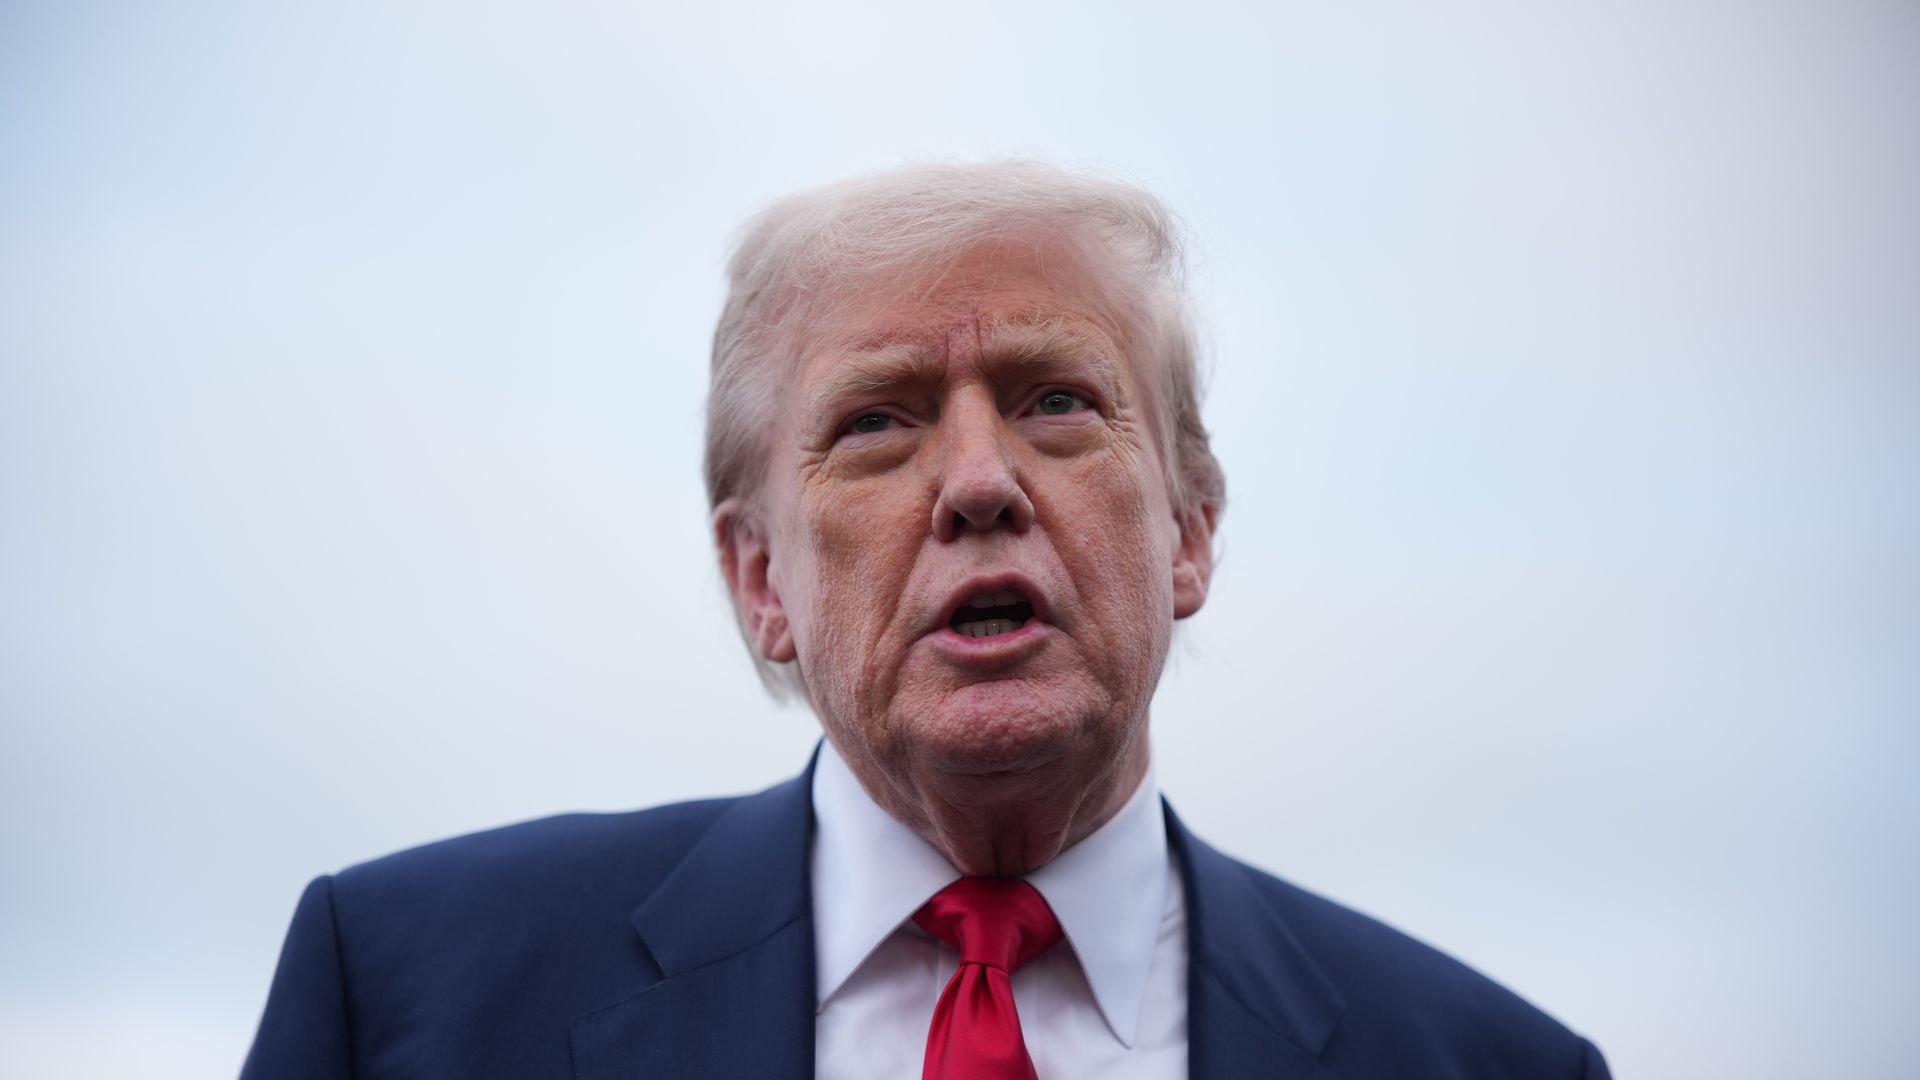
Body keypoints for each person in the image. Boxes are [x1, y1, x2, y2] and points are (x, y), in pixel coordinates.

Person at [242, 162, 1610, 1079]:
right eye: (878, 422)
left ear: (1189, 530)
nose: (976, 484)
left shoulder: (1488, 1065)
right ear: (761, 580)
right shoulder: (408, 1000)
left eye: (1056, 401)